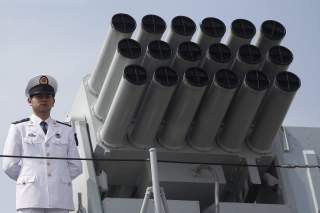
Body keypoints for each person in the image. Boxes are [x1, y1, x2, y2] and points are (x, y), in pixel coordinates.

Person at [2, 75, 83, 213]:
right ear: (29, 100)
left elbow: (76, 166)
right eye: (39, 96)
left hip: (60, 198)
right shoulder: (18, 128)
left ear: (53, 101)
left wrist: (58, 179)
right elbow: (9, 165)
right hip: (30, 197)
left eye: (48, 96)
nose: (44, 99)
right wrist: (30, 179)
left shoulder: (66, 130)